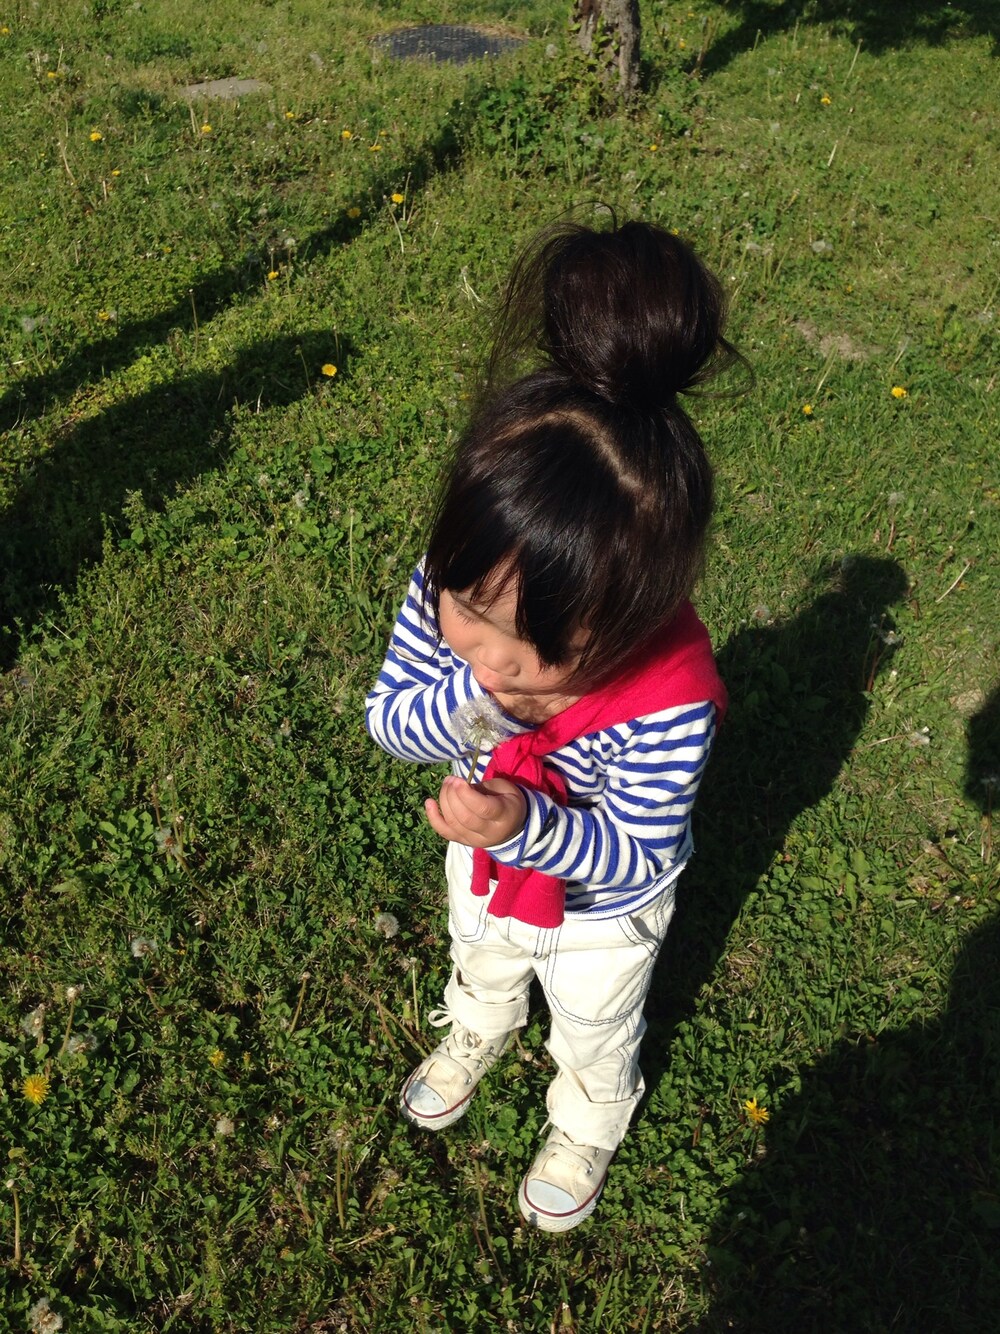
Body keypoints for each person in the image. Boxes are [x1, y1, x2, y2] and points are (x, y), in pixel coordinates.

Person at [365, 216, 740, 1232]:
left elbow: (632, 851)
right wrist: (474, 712)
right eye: (468, 614)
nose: (489, 657)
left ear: (631, 621)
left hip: (598, 907)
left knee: (593, 1017)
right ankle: (476, 1028)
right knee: (480, 952)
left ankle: (586, 1118)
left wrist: (522, 822)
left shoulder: (668, 696)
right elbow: (390, 718)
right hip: (488, 857)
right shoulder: (454, 585)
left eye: (535, 649)